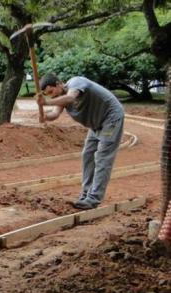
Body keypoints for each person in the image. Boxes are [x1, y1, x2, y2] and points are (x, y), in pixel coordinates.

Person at [36, 73, 125, 210]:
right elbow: (54, 114)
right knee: (87, 155)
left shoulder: (76, 83)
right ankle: (85, 195)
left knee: (102, 157)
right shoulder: (60, 99)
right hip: (95, 125)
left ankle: (93, 199)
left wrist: (46, 102)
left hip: (110, 119)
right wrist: (44, 117)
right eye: (48, 95)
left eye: (52, 91)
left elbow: (71, 97)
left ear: (59, 83)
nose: (52, 96)